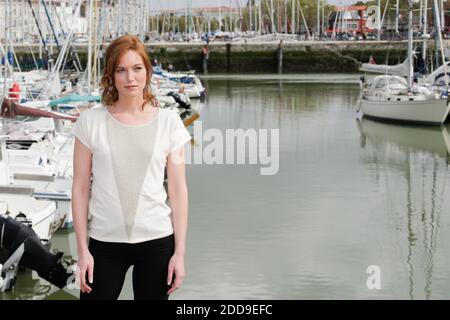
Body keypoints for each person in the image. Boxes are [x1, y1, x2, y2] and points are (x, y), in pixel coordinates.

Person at [71, 34, 191, 300]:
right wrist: (82, 251)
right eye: (121, 70)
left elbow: (178, 190)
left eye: (137, 69)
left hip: (157, 242)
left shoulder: (169, 122)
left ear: (148, 72)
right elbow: (79, 188)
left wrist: (179, 254)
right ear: (111, 75)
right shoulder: (89, 123)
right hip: (104, 243)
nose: (130, 78)